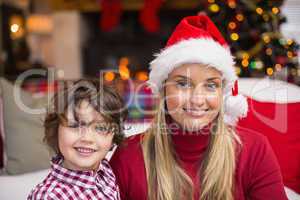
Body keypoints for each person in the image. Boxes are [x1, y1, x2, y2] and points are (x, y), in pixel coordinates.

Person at [110, 15, 288, 200]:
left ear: (222, 93)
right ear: (163, 89)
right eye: (183, 84)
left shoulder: (254, 150)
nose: (197, 100)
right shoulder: (127, 155)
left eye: (211, 85)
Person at [28, 79, 127, 200]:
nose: (87, 138)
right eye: (74, 125)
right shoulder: (49, 196)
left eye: (101, 128)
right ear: (55, 130)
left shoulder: (104, 169)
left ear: (114, 135)